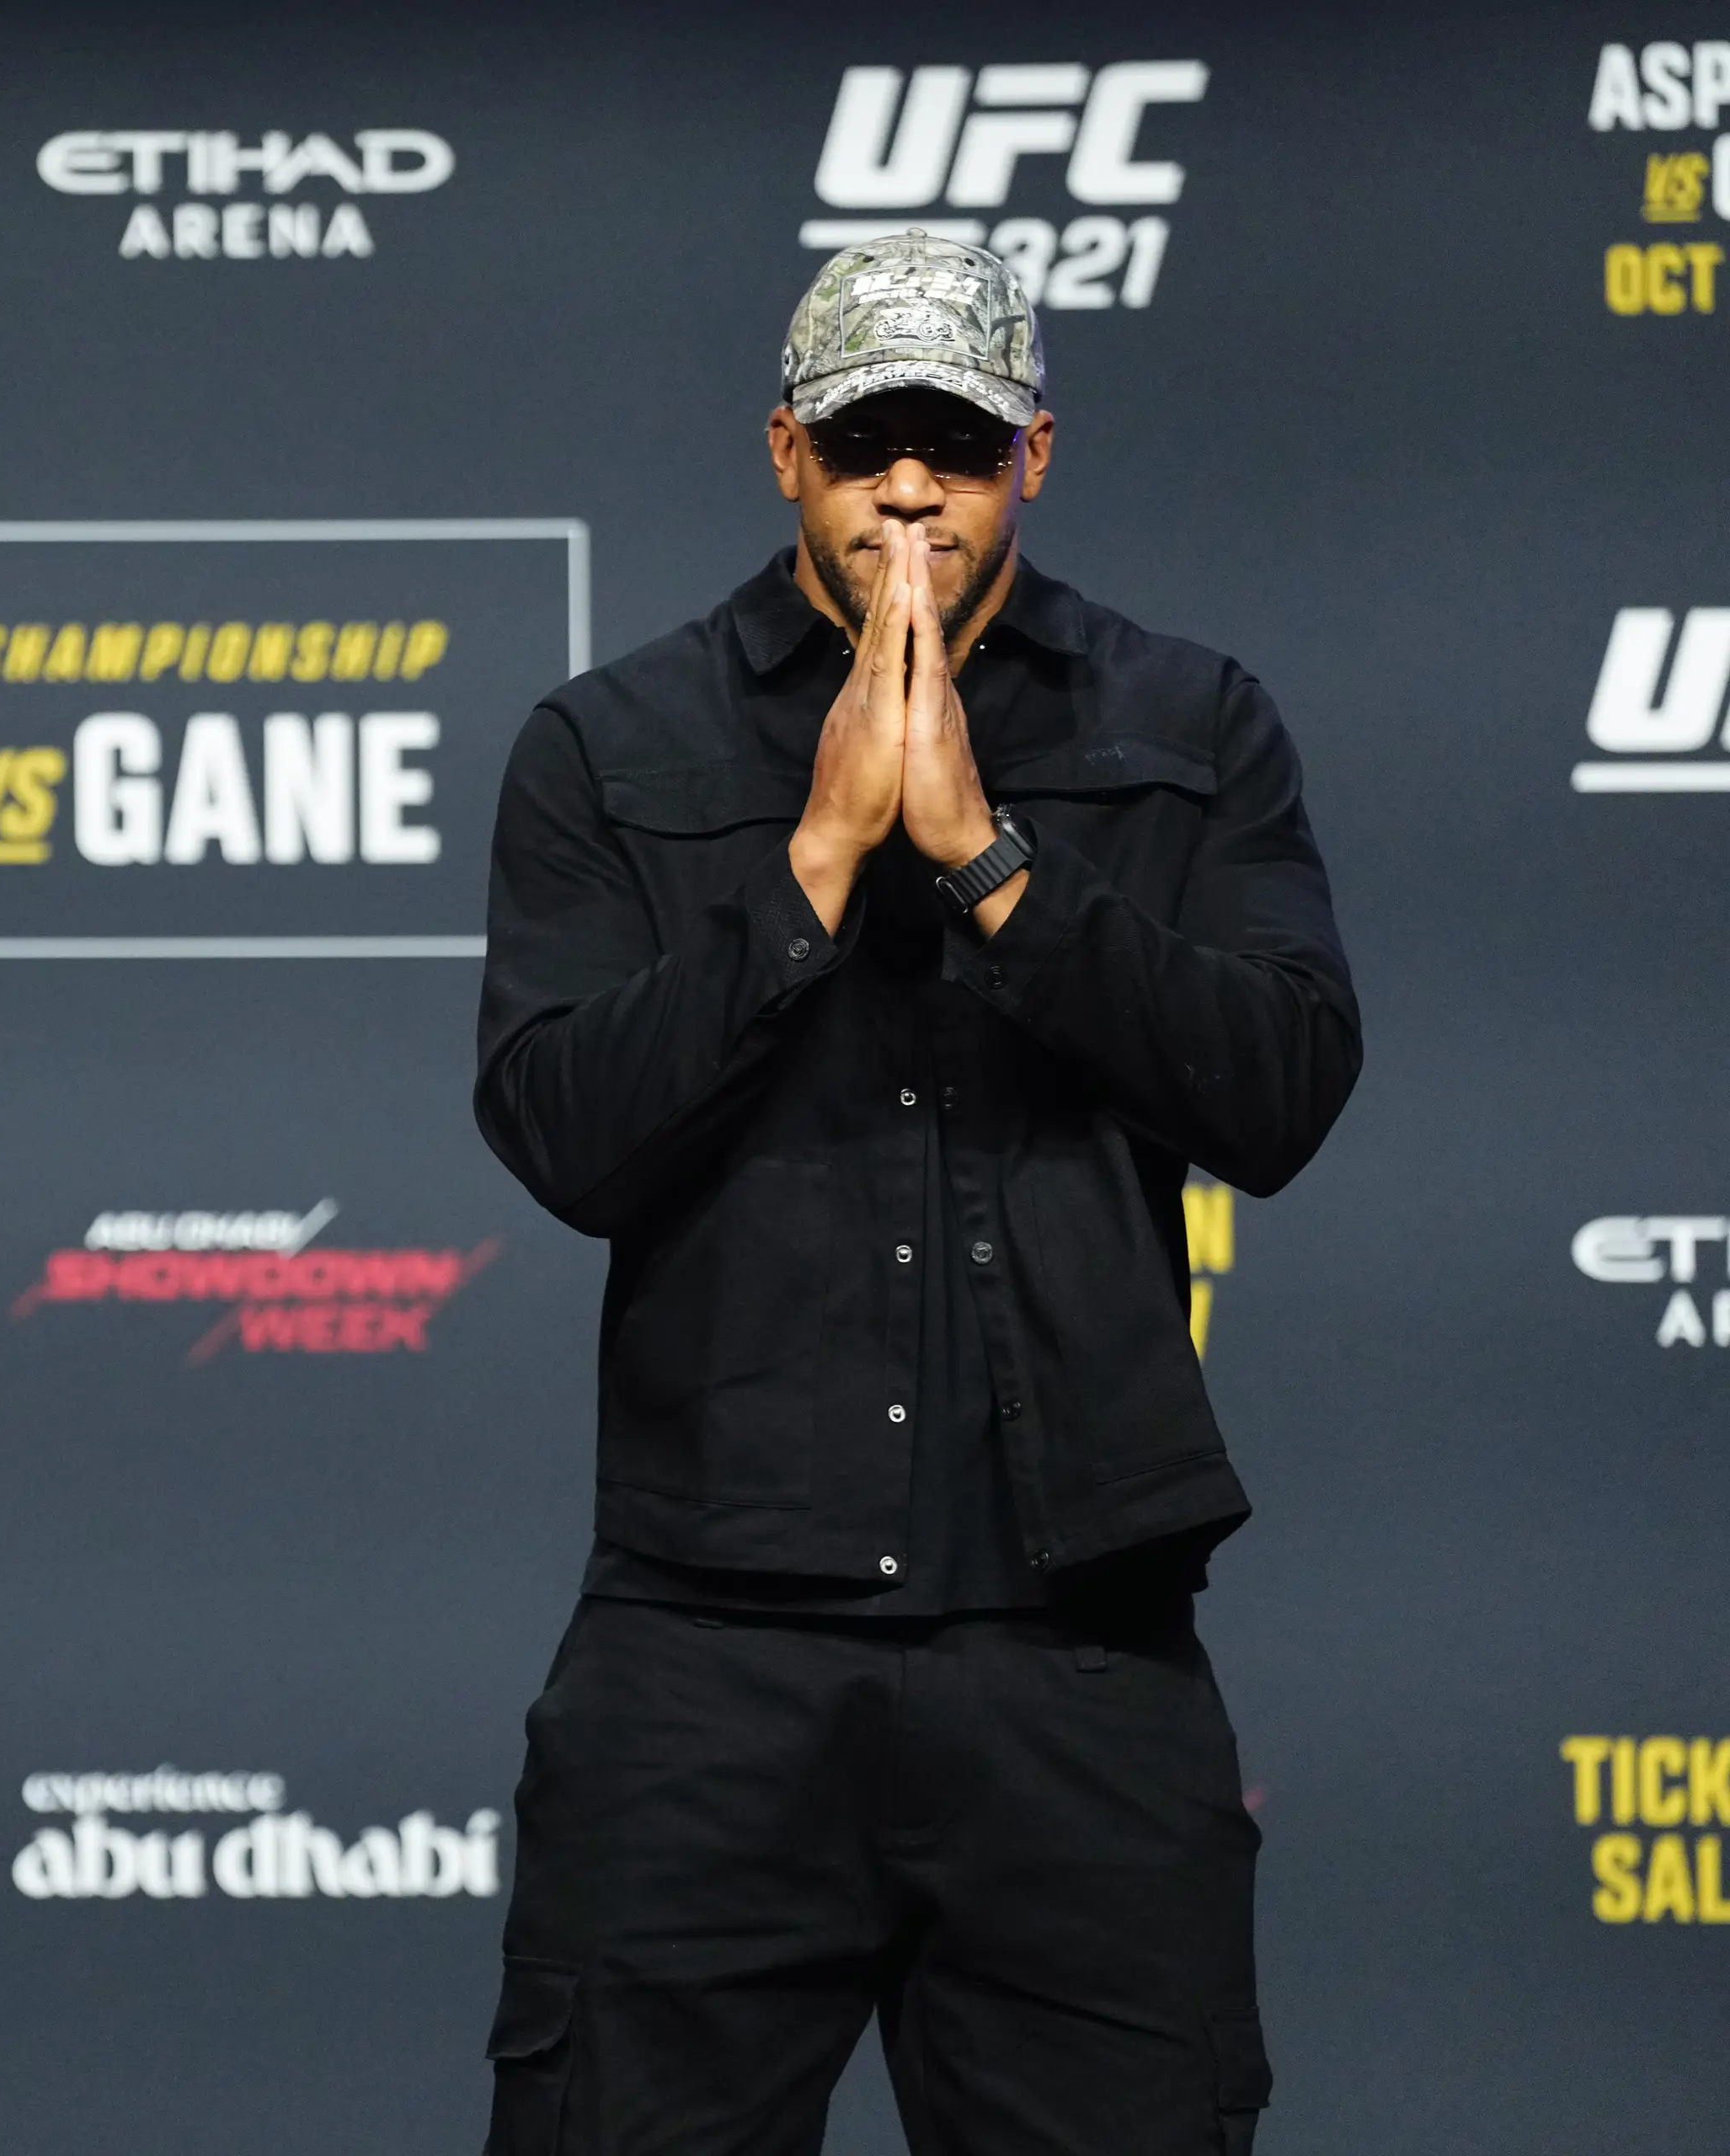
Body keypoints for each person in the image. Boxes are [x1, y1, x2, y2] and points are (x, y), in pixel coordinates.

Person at [470, 232, 1359, 2154]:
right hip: (709, 1654)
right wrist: (812, 868)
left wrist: (987, 862)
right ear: (783, 449)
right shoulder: (616, 744)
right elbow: (560, 1130)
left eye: (953, 445)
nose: (906, 491)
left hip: (1078, 1653)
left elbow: (1283, 1090)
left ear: (1032, 452)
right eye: (865, 442)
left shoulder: (1189, 726)